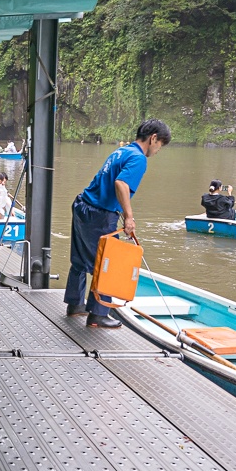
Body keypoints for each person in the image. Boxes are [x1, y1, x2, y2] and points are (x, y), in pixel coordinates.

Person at [64, 119, 171, 329]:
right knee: (107, 264)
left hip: (83, 205)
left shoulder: (122, 151)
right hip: (100, 214)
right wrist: (129, 217)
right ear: (153, 138)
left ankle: (75, 304)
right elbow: (121, 183)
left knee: (80, 260)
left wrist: (119, 209)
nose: (158, 150)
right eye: (160, 145)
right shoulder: (138, 158)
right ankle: (98, 314)